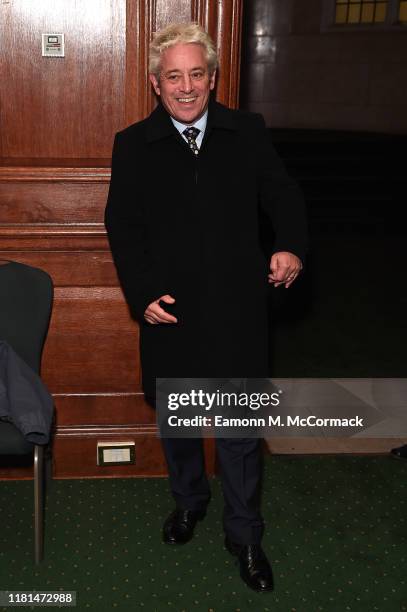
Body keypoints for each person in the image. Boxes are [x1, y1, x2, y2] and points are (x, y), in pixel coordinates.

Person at [105, 22, 307, 593]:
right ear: (155, 83)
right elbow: (122, 225)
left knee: (241, 431)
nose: (187, 87)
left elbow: (282, 193)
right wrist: (142, 294)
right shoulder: (132, 144)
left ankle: (245, 536)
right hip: (170, 313)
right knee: (182, 423)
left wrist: (289, 242)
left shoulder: (247, 131)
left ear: (214, 79)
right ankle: (189, 501)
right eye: (174, 76)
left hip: (239, 308)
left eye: (197, 74)